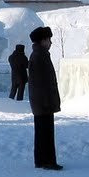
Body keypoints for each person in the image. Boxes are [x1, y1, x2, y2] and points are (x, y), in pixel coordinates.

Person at [28, 26, 63, 169]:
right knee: (46, 133)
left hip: (41, 101)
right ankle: (47, 161)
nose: (51, 42)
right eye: (49, 39)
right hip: (43, 102)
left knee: (43, 132)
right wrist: (47, 101)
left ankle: (41, 160)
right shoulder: (39, 56)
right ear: (42, 40)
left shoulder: (39, 54)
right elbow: (41, 83)